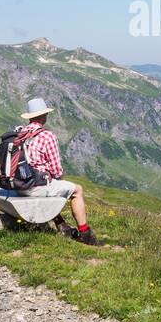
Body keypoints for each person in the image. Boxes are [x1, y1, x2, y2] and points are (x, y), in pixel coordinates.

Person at [13, 97, 96, 245]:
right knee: (76, 190)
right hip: (35, 186)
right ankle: (85, 234)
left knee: (50, 186)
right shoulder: (47, 136)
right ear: (43, 115)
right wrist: (57, 178)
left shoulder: (19, 133)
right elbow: (56, 169)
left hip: (19, 185)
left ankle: (61, 224)